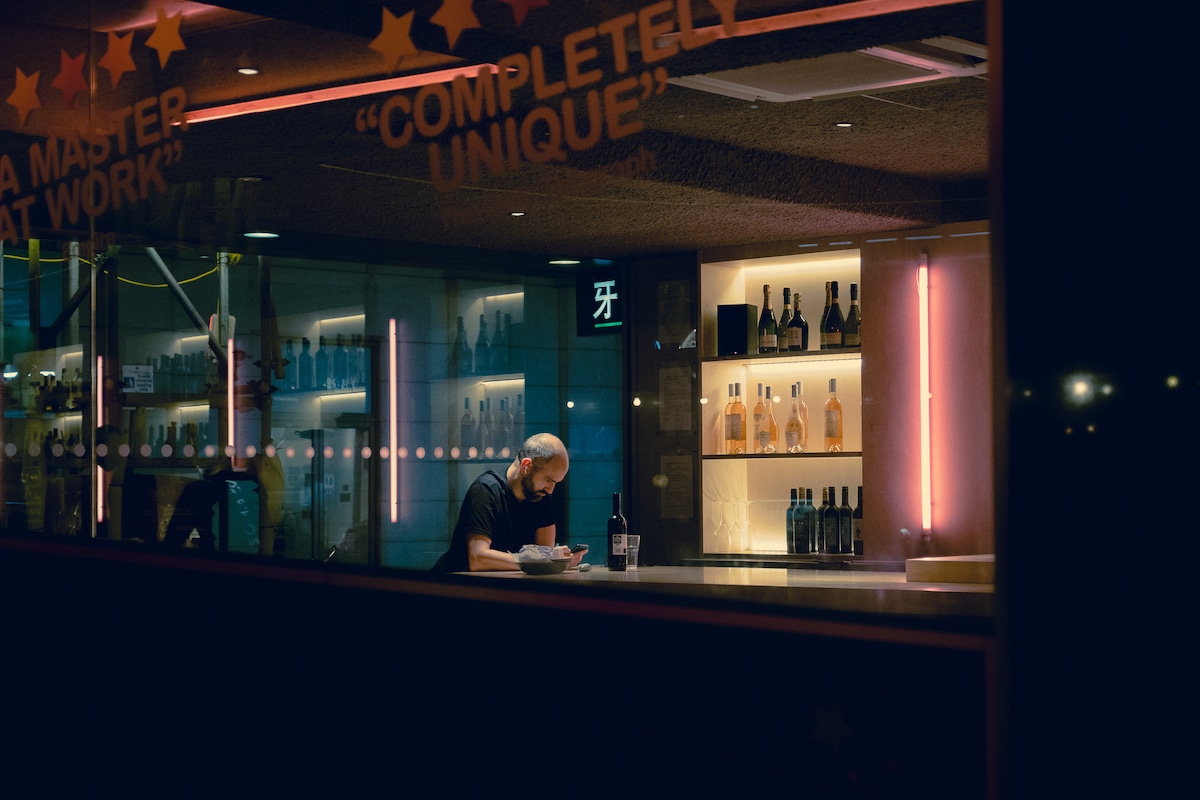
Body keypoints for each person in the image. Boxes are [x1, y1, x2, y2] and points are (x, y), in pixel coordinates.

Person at [432, 432, 582, 573]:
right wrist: (538, 560)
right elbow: (477, 558)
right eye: (548, 480)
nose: (550, 490)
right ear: (526, 466)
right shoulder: (486, 490)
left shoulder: (539, 495)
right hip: (452, 589)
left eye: (556, 483)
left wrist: (560, 560)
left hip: (498, 589)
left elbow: (543, 557)